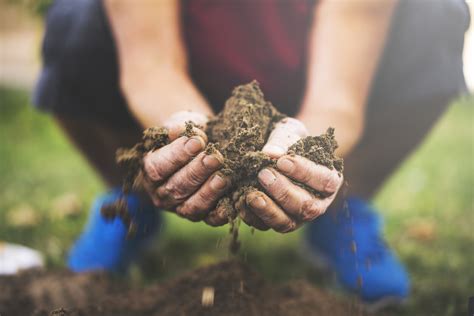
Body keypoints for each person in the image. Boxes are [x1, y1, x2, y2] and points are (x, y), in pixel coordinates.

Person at [33, 0, 470, 308]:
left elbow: (338, 97)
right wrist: (189, 134)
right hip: (189, 76)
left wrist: (306, 150)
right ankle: (133, 204)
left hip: (306, 76)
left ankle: (337, 208)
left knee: (434, 13)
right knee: (76, 17)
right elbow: (150, 66)